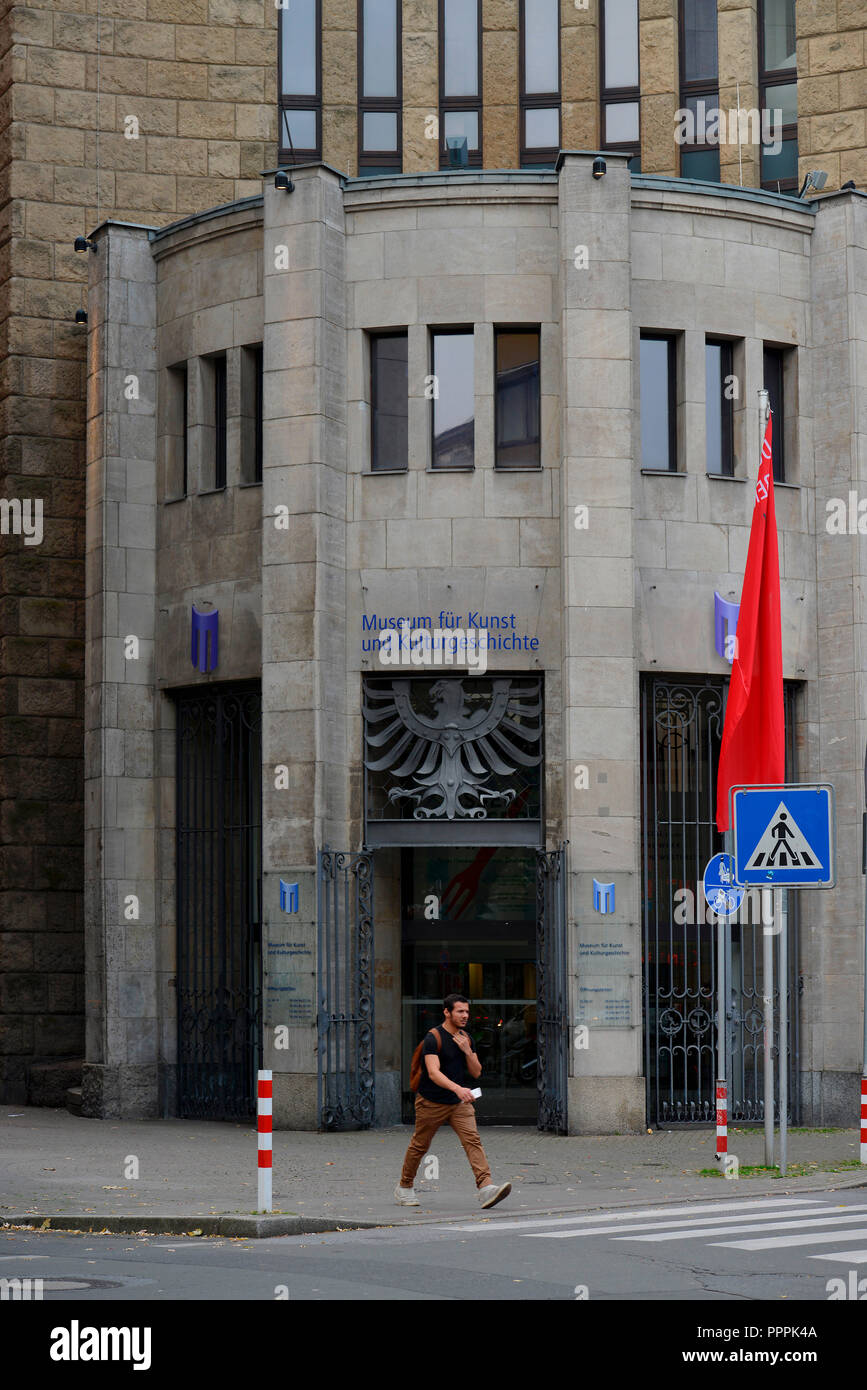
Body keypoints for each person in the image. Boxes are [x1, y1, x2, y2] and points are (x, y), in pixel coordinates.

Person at [395, 993, 512, 1210]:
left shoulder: (466, 1038)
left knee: (473, 1141)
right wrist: (458, 1088)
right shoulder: (433, 1038)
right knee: (420, 1145)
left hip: (459, 1103)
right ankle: (404, 1186)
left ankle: (486, 1187)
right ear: (447, 1012)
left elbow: (476, 1072)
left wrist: (468, 1051)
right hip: (431, 1102)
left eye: (467, 1011)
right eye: (460, 1011)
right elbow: (433, 1073)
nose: (465, 1015)